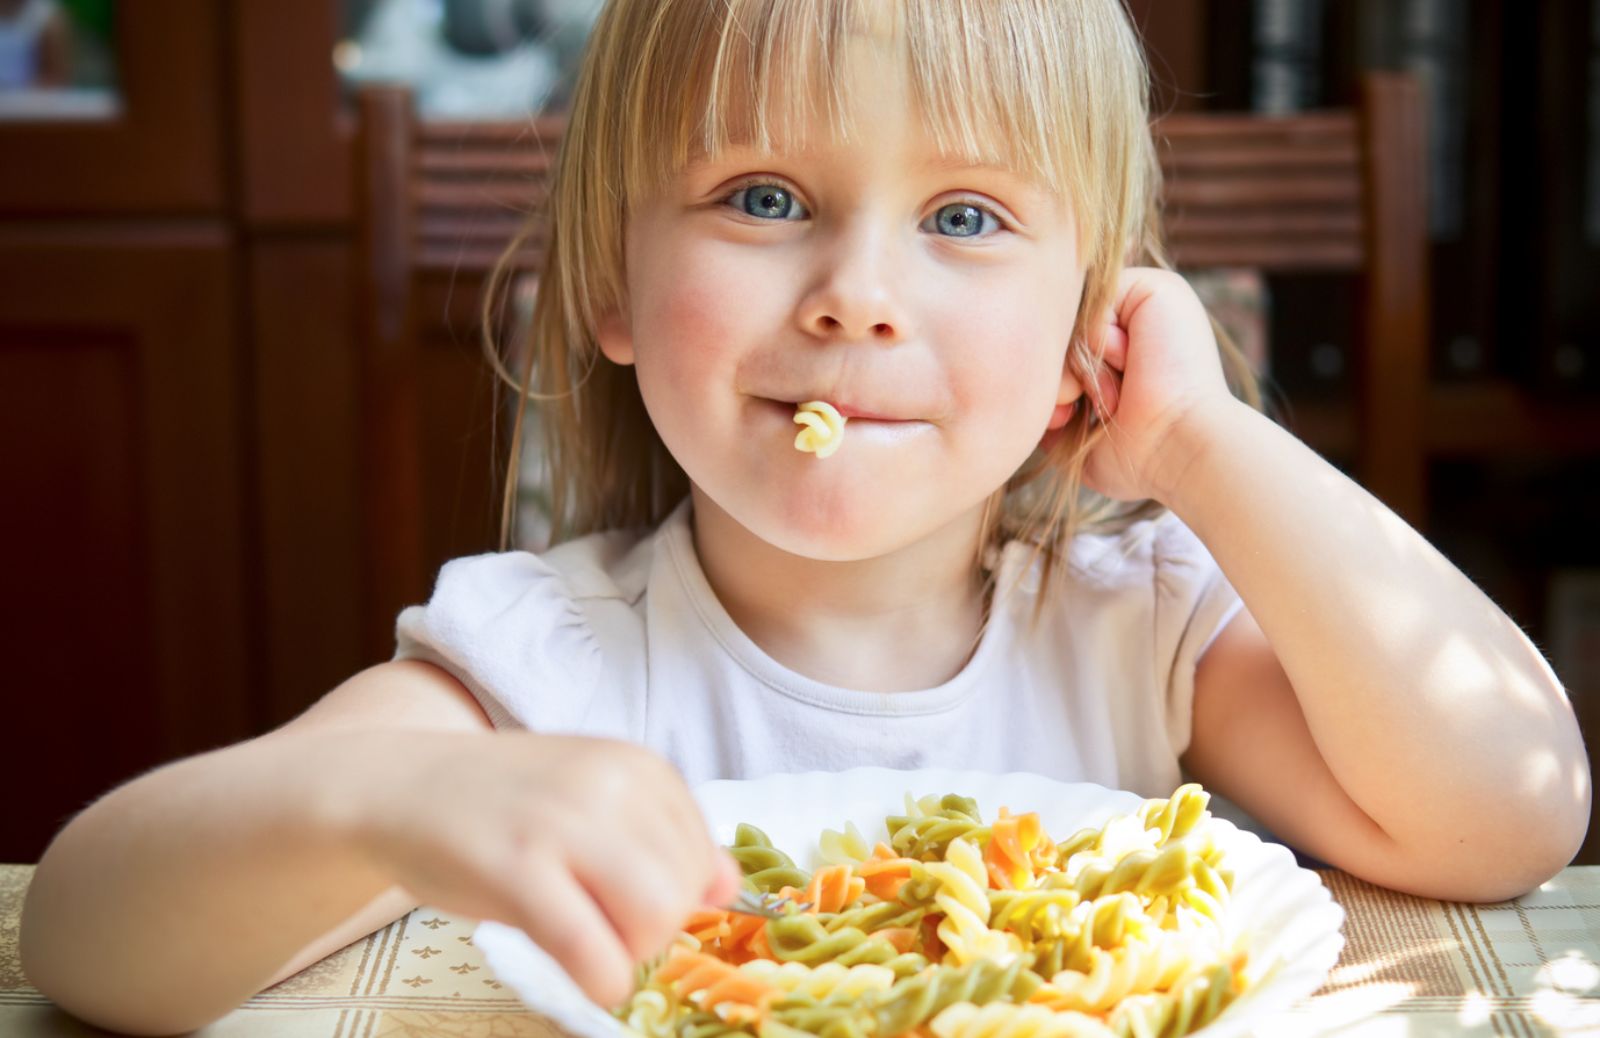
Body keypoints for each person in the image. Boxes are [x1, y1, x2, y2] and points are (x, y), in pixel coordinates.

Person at [20, 0, 1589, 1033]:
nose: (856, 299)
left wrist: (1203, 442)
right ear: (612, 286)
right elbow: (85, 937)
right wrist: (387, 809)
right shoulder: (547, 664)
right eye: (763, 196)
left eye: (966, 217)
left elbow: (1511, 807)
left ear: (1082, 334)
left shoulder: (1139, 622)